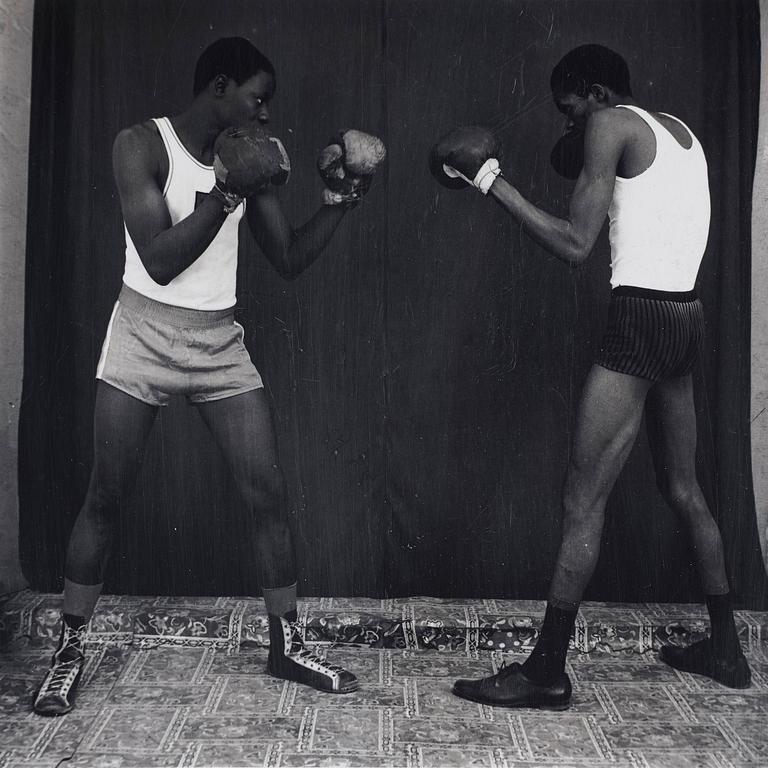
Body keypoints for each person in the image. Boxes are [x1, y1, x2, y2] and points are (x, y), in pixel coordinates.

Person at [33, 36, 384, 716]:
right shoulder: (140, 145)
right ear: (219, 88)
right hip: (141, 333)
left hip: (218, 341)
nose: (262, 118)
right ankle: (68, 650)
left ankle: (286, 642)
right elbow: (160, 260)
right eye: (256, 100)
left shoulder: (253, 159)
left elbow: (286, 257)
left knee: (268, 492)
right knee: (106, 494)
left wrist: (338, 205)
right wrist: (226, 191)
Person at [431, 44, 751, 710]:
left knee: (583, 500)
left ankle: (547, 670)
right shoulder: (680, 132)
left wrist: (490, 180)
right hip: (685, 316)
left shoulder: (610, 124)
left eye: (570, 111)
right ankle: (726, 648)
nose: (572, 127)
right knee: (683, 485)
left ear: (599, 94)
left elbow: (577, 247)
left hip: (638, 319)